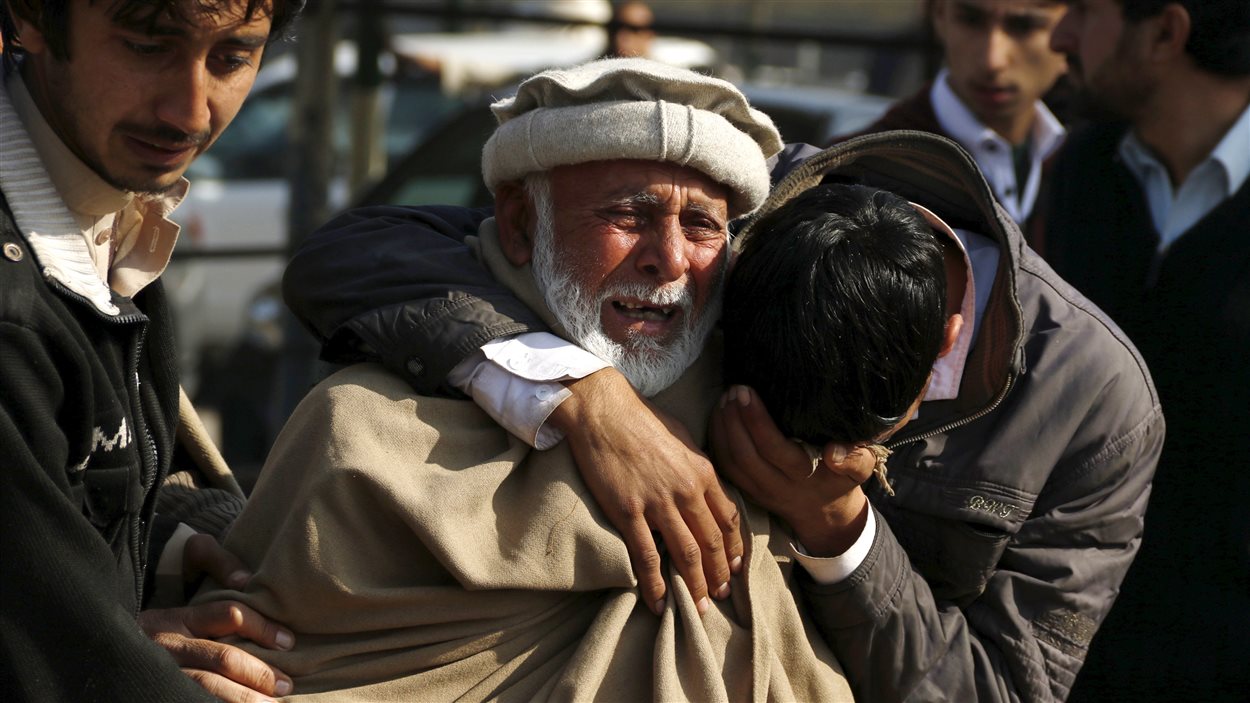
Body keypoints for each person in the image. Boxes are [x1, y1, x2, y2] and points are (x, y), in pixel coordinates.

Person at [284, 95, 1162, 703]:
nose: (670, 256)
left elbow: (1001, 689)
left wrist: (837, 529)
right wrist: (591, 400)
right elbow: (359, 253)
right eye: (749, 417)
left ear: (943, 350)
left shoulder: (1096, 409)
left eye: (838, 449)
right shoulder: (727, 212)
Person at [196, 57, 856, 700]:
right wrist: (587, 397)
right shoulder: (360, 435)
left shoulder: (770, 430)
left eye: (702, 225)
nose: (670, 259)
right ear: (518, 223)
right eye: (629, 215)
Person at [0, 1, 305, 700]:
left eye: (232, 57)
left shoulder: (110, 210)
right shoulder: (16, 310)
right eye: (146, 47)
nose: (190, 112)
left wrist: (154, 539)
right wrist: (104, 660)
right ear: (31, 14)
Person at [1043, 1, 1250, 700]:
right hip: (1078, 646)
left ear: (1165, 31)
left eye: (1086, 10)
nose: (1059, 36)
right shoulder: (1078, 172)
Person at [843, 0, 1068, 249]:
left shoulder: (1097, 159)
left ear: (1071, 28)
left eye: (1024, 26)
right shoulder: (854, 171)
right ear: (939, 16)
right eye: (970, 20)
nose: (993, 60)